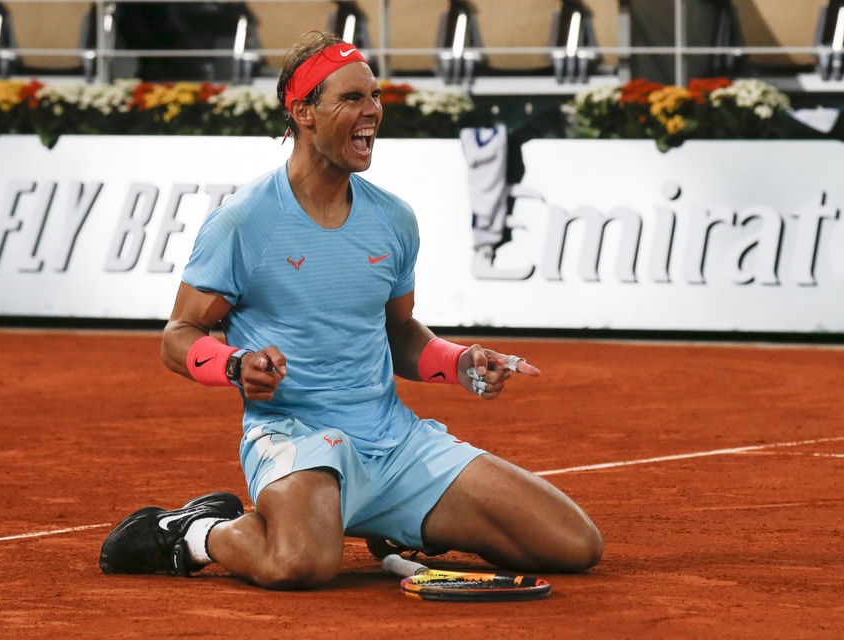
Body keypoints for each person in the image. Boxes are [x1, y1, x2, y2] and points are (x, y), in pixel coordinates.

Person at [99, 30, 603, 589]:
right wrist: (235, 365)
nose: (372, 112)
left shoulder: (393, 219)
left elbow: (398, 333)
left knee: (574, 544)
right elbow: (179, 335)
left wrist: (459, 362)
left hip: (395, 442)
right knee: (301, 563)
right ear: (303, 112)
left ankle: (398, 520)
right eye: (351, 99)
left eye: (375, 96)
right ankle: (194, 533)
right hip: (297, 438)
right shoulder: (244, 220)